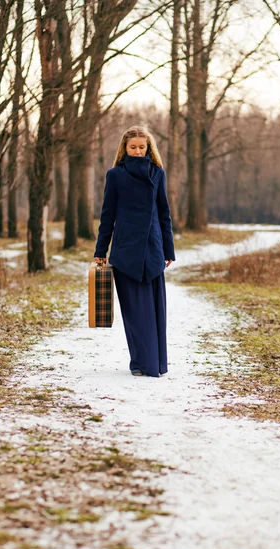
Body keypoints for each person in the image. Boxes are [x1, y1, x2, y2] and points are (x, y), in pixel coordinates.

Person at [93, 125, 175, 377]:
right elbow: (107, 216)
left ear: (148, 148)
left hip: (152, 250)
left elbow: (164, 214)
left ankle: (156, 364)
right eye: (133, 147)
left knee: (154, 310)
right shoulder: (115, 175)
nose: (138, 151)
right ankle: (140, 363)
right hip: (126, 252)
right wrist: (100, 249)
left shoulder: (157, 173)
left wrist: (168, 250)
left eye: (142, 147)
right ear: (124, 148)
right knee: (134, 312)